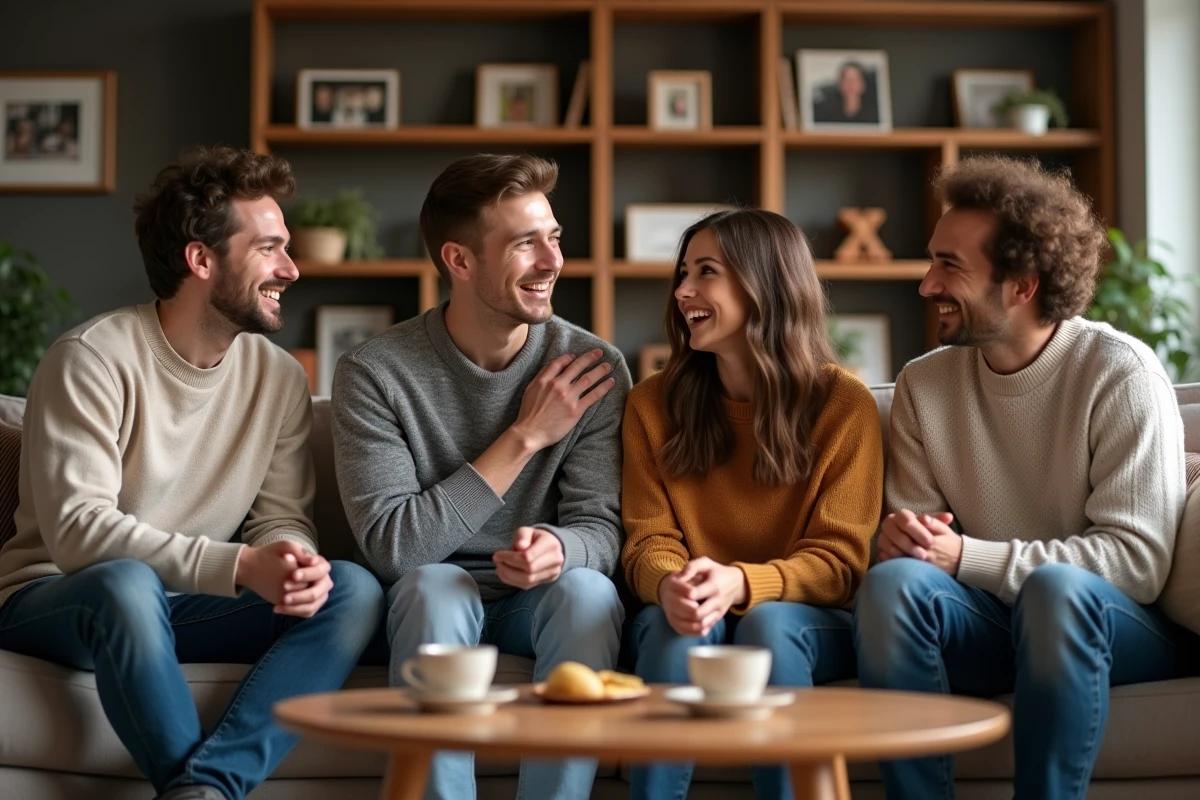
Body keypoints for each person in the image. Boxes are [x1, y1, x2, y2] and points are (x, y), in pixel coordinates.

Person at [0, 146, 385, 800]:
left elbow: (280, 514)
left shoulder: (279, 377)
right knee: (123, 585)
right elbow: (78, 533)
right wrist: (239, 567)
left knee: (351, 589)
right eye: (268, 249)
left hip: (180, 608)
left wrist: (289, 557)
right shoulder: (90, 360)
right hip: (63, 600)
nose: (290, 269)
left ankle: (205, 787)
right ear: (201, 259)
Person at [853, 155, 1195, 799]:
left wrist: (966, 557)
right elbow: (925, 554)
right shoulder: (925, 384)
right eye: (932, 260)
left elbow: (1139, 563)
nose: (926, 285)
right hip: (990, 624)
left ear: (1023, 283)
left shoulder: (1119, 373)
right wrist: (905, 542)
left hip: (1108, 627)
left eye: (949, 265)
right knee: (894, 586)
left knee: (1056, 592)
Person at [332, 153, 630, 800]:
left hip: (540, 600)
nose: (552, 261)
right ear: (459, 262)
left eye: (553, 237)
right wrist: (523, 437)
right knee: (435, 587)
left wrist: (562, 550)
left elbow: (602, 532)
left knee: (588, 594)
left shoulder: (592, 366)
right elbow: (393, 549)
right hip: (436, 594)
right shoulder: (375, 372)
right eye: (526, 244)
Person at [622, 208, 884, 800]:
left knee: (767, 624)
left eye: (706, 272)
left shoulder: (844, 405)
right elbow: (647, 541)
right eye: (683, 272)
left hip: (799, 616)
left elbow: (841, 562)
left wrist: (742, 584)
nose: (683, 290)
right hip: (689, 609)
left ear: (763, 284)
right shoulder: (650, 405)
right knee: (673, 629)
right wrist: (671, 586)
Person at [811, 61, 879, 125]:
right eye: (847, 80)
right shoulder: (824, 113)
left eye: (855, 80)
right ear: (840, 84)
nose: (851, 85)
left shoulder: (875, 115)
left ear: (863, 84)